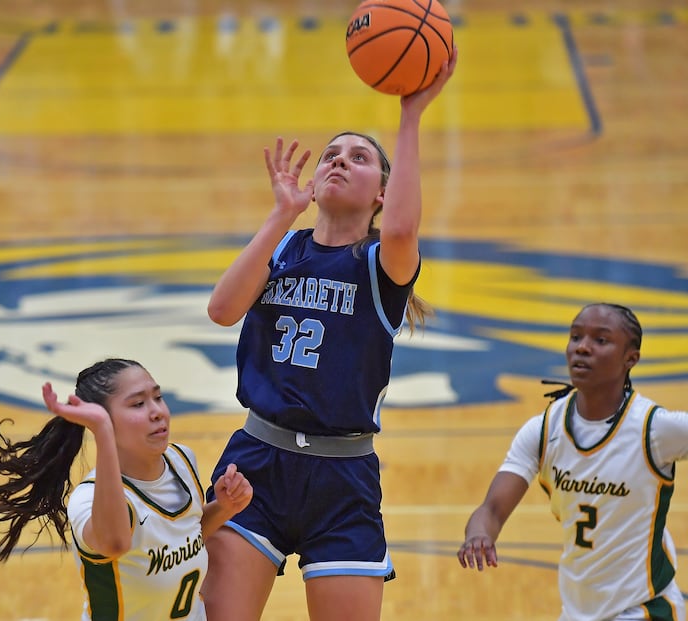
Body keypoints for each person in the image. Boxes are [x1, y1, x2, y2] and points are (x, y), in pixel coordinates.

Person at [198, 49, 458, 621]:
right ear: (313, 182)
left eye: (359, 158)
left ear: (381, 194)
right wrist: (279, 216)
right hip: (256, 463)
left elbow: (406, 226)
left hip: (343, 477)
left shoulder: (380, 265)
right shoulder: (284, 247)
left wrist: (410, 118)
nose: (340, 161)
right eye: (331, 156)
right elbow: (221, 310)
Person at [0, 358, 253, 621]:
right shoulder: (87, 500)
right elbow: (116, 542)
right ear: (103, 421)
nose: (157, 411)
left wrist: (224, 507)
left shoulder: (182, 460)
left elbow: (187, 533)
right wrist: (101, 430)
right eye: (138, 404)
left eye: (158, 397)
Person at [458, 303, 687, 621]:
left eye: (600, 340)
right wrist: (479, 534)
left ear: (630, 358)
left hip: (644, 610)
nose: (582, 347)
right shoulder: (543, 430)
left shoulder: (655, 428)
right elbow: (492, 509)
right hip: (578, 612)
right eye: (575, 336)